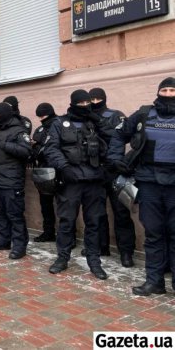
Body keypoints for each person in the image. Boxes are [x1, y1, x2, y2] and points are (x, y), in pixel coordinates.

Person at [108, 77, 175, 295]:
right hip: (149, 182)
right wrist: (116, 158)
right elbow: (119, 134)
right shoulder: (144, 114)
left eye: (172, 90)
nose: (168, 93)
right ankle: (154, 281)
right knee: (154, 233)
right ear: (158, 92)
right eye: (164, 89)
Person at [44, 90, 109, 279]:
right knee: (66, 222)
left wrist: (99, 122)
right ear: (72, 103)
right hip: (71, 181)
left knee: (94, 223)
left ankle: (94, 261)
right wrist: (64, 167)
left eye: (87, 102)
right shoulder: (59, 123)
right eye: (80, 103)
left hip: (94, 181)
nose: (85, 106)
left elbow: (111, 143)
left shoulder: (95, 122)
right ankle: (62, 258)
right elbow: (51, 148)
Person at [87, 87, 135, 267]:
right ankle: (101, 246)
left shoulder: (116, 115)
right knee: (97, 213)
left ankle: (126, 253)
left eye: (98, 98)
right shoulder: (85, 117)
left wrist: (99, 121)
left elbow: (121, 136)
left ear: (104, 99)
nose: (94, 101)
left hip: (114, 170)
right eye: (91, 99)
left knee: (121, 213)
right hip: (95, 170)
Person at [0, 102, 32, 259]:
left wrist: (4, 144)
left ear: (4, 115)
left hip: (11, 180)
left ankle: (19, 246)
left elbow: (26, 151)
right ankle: (3, 240)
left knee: (14, 214)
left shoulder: (19, 130)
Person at [31, 103, 59, 242]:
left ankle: (68, 236)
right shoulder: (40, 129)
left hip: (59, 170)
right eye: (39, 116)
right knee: (46, 205)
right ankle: (48, 232)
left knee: (63, 206)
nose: (41, 119)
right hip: (43, 170)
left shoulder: (60, 125)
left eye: (43, 116)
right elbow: (35, 149)